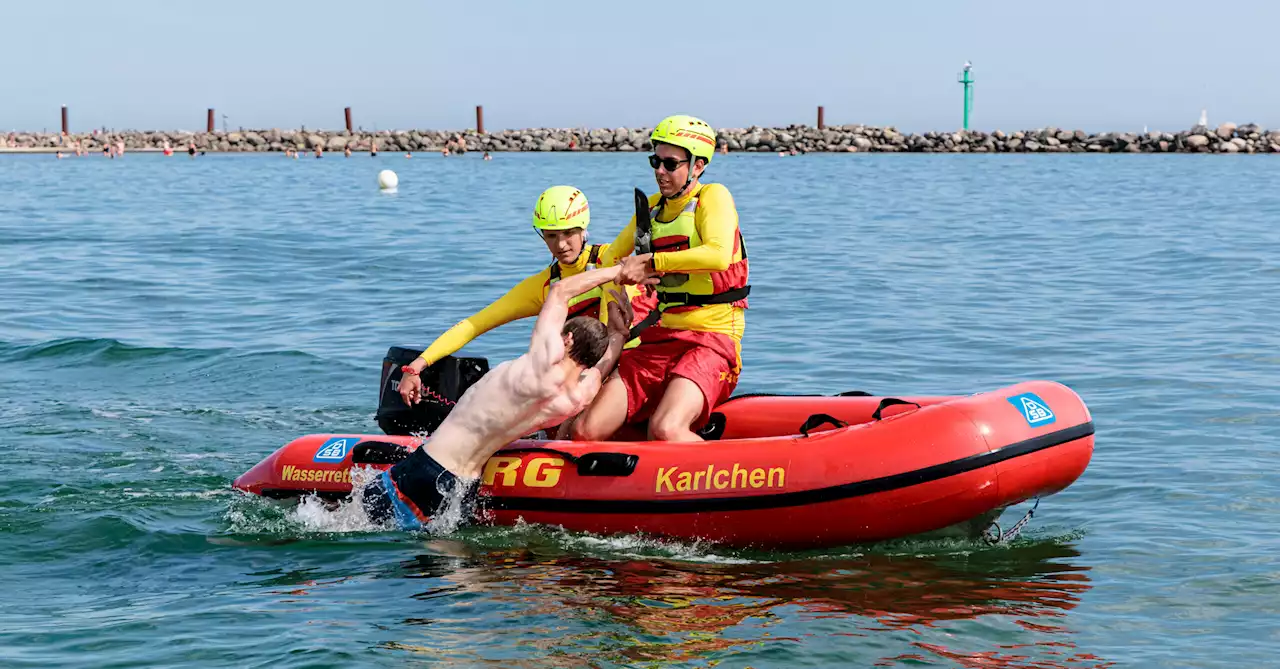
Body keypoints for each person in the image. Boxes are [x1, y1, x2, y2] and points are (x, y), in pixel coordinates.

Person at [362, 264, 655, 528]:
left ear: (567, 338)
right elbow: (601, 368)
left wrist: (618, 270)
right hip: (463, 489)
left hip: (431, 464)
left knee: (357, 518)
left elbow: (560, 289)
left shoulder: (540, 363)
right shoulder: (577, 396)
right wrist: (619, 333)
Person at [572, 115, 749, 443]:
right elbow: (611, 258)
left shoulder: (712, 198)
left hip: (713, 340)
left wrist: (652, 263)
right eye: (656, 161)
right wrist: (615, 299)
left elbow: (718, 254)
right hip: (662, 339)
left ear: (697, 166)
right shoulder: (650, 210)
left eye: (670, 164)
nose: (660, 172)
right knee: (585, 431)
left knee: (666, 429)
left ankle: (732, 477)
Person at [400, 186, 649, 385]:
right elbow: (475, 324)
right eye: (551, 235)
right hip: (581, 377)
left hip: (627, 362)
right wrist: (418, 365)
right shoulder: (543, 286)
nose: (561, 245)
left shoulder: (611, 259)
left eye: (568, 233)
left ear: (584, 229)